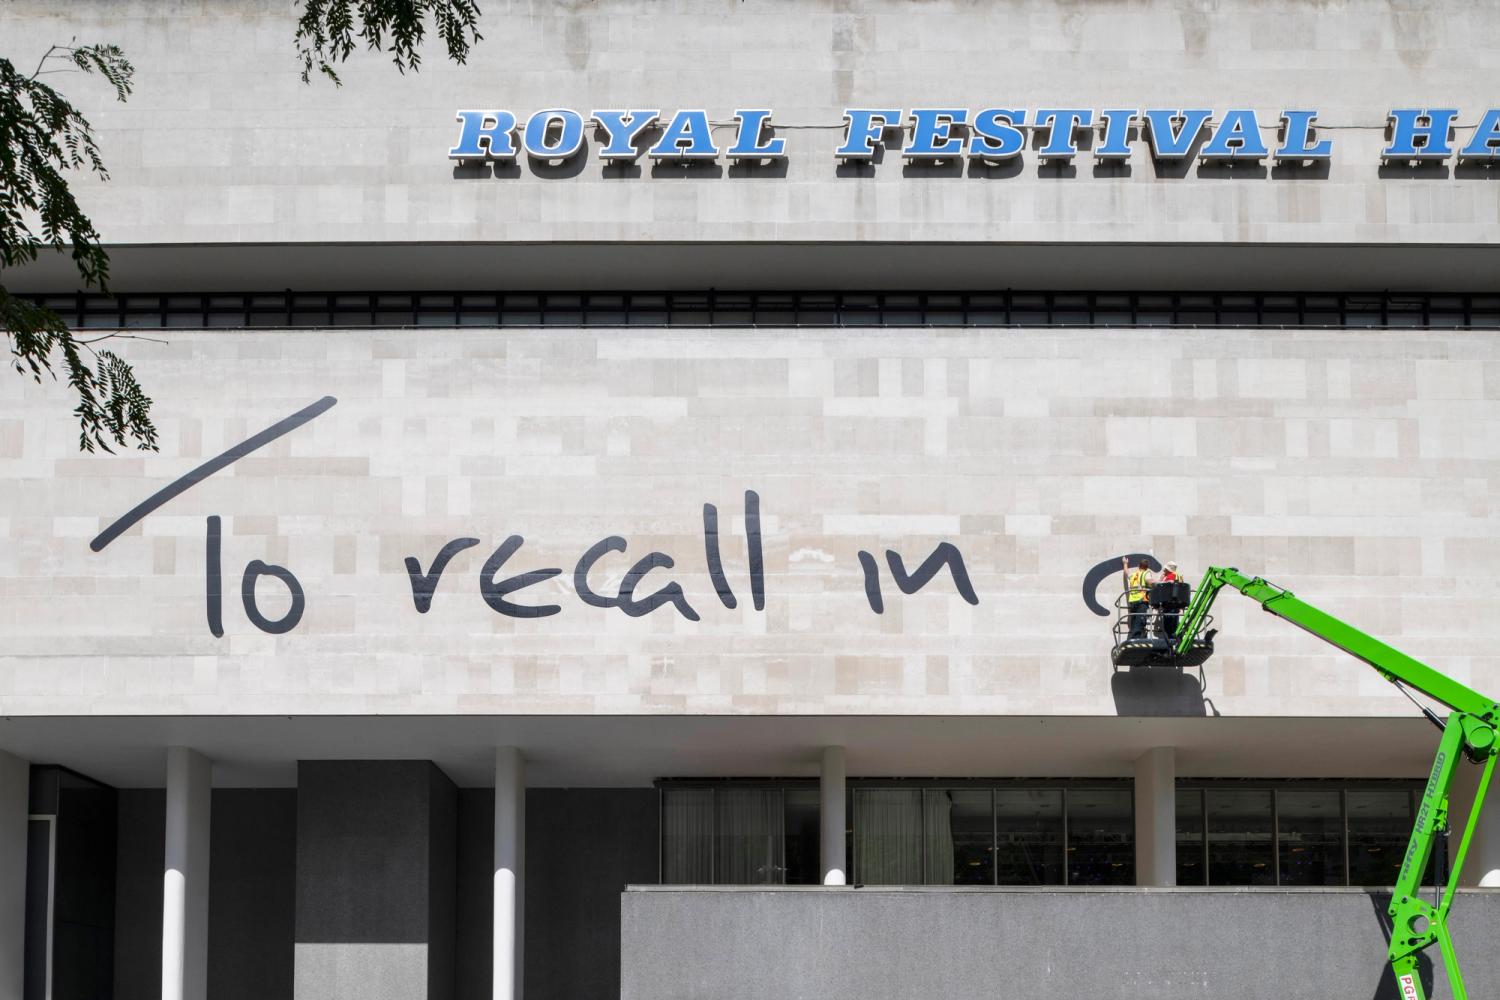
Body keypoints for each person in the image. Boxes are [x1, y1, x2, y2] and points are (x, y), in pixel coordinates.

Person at [1121, 557, 1154, 640]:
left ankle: (1134, 637)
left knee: (1134, 620)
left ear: (1139, 566)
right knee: (1140, 621)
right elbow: (1150, 581)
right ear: (1147, 567)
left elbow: (1126, 573)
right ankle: (1137, 638)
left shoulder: (1134, 575)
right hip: (1142, 601)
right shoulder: (1146, 573)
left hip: (1133, 601)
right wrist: (1160, 583)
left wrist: (1125, 563)